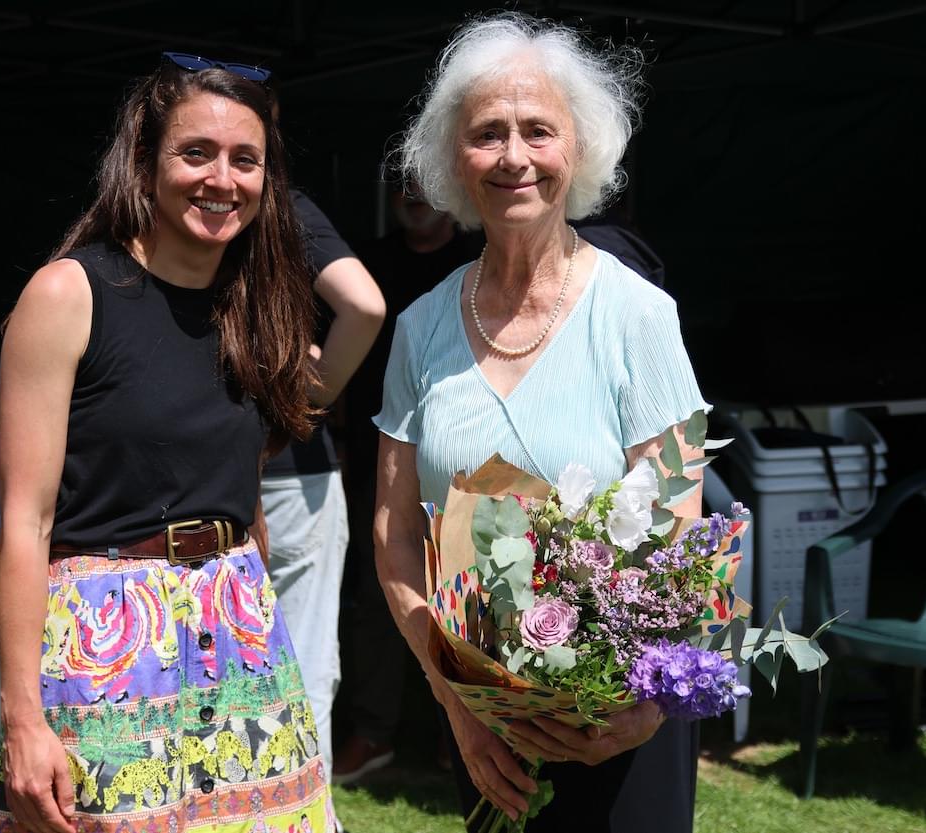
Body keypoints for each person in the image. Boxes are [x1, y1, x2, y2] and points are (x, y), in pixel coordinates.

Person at [373, 12, 708, 833]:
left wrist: (644, 707)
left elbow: (681, 524)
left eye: (538, 130)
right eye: (488, 133)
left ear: (580, 150)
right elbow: (395, 538)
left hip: (623, 720)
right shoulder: (419, 328)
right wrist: (454, 699)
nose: (514, 156)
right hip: (486, 722)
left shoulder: (640, 315)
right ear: (455, 159)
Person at [0, 53, 337, 833]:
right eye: (197, 153)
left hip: (238, 627)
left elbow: (244, 498)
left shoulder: (258, 306)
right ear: (145, 162)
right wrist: (24, 720)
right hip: (107, 640)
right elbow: (25, 524)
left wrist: (257, 612)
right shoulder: (69, 294)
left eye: (246, 159)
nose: (223, 178)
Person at [333, 175, 481, 783]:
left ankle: (465, 725)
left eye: (423, 184)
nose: (410, 194)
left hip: (464, 458)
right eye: (398, 184)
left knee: (471, 590)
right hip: (382, 452)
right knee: (377, 598)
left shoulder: (477, 260)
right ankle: (374, 733)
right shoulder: (368, 263)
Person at [259, 184, 384, 786]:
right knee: (303, 664)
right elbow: (364, 306)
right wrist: (313, 395)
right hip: (292, 473)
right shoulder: (280, 200)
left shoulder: (153, 201)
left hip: (190, 476)